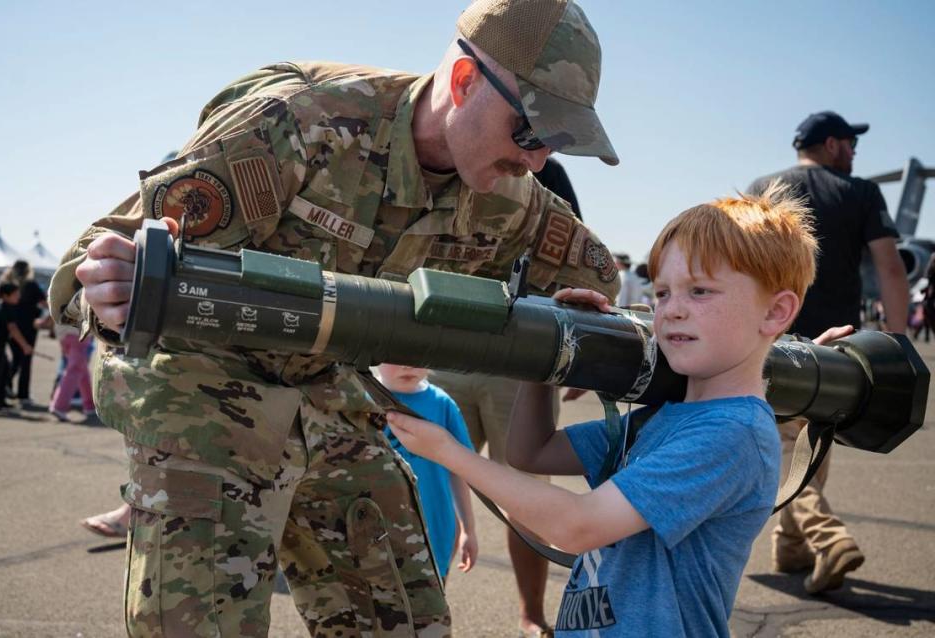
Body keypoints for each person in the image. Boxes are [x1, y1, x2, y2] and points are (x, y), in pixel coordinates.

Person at [48, 1, 622, 634]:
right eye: (532, 131)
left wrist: (582, 322)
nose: (538, 160)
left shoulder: (514, 199)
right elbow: (100, 255)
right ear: (464, 83)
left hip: (329, 392)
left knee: (402, 622)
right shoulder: (301, 122)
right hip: (202, 390)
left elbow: (594, 277)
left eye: (559, 143)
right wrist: (103, 286)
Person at [386, 184, 819, 636]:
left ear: (775, 313)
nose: (671, 311)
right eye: (664, 292)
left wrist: (450, 452)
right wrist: (550, 353)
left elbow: (578, 526)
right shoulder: (664, 418)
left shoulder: (732, 434)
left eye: (701, 291)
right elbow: (531, 452)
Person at [748, 110, 910, 593]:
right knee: (811, 446)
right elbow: (892, 270)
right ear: (832, 144)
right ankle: (802, 544)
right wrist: (897, 343)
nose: (855, 152)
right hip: (841, 351)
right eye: (850, 143)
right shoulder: (859, 192)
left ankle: (816, 539)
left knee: (787, 447)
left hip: (774, 341)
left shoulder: (762, 187)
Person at [431, 155, 583, 638]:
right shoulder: (449, 164)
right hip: (446, 354)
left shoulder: (546, 174)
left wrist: (582, 354)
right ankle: (418, 610)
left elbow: (577, 267)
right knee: (420, 488)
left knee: (528, 500)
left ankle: (531, 614)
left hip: (517, 366)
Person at [376, 364, 478, 582]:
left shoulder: (442, 404)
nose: (407, 364)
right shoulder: (364, 400)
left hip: (435, 526)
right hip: (378, 529)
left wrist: (468, 528)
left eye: (417, 353)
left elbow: (460, 471)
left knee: (431, 602)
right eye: (396, 353)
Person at [0, 259, 47, 409]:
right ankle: (22, 394)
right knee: (25, 362)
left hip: (10, 326)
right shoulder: (31, 285)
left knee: (16, 359)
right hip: (29, 328)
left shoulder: (6, 283)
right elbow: (45, 303)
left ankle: (5, 386)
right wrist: (44, 320)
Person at [0, 283, 33, 415]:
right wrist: (25, 346)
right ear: (6, 296)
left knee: (4, 370)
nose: (18, 296)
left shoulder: (0, 306)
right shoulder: (6, 307)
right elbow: (13, 329)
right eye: (15, 294)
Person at [48, 323, 97, 421]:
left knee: (82, 371)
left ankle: (90, 406)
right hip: (78, 333)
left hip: (63, 333)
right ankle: (59, 406)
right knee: (75, 371)